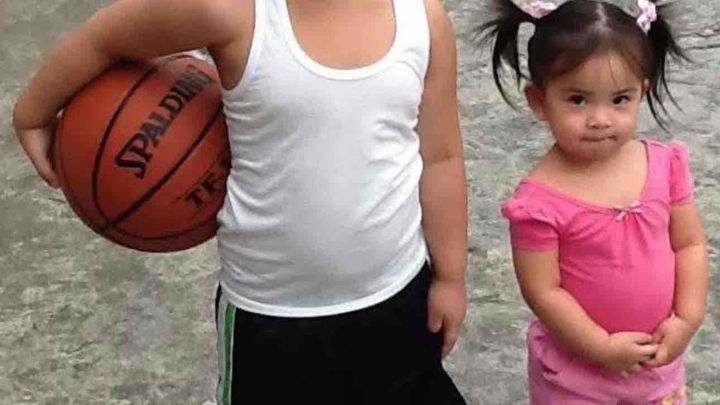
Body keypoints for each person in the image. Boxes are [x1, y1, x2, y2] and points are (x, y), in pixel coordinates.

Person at [12, 0, 468, 403]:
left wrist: (451, 277)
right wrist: (32, 112)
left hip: (397, 295)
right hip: (271, 314)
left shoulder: (423, 20)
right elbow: (107, 36)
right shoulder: (235, 11)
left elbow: (441, 157)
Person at [477, 0, 709, 403]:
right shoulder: (539, 202)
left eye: (619, 99)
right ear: (539, 101)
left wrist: (687, 320)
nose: (600, 119)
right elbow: (543, 292)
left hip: (657, 364)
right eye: (577, 100)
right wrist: (600, 347)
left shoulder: (665, 165)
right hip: (578, 378)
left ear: (641, 92)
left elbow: (689, 245)